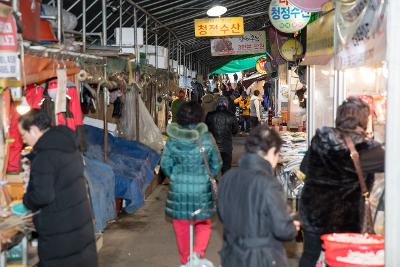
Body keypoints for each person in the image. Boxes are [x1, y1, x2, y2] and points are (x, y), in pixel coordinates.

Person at [299, 97, 385, 267]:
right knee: (339, 260)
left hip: (313, 214)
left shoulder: (321, 138)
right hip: (344, 221)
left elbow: (304, 167)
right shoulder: (368, 149)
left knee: (310, 256)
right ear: (364, 120)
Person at [18, 110, 98, 267]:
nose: (24, 140)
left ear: (34, 129)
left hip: (60, 234)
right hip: (78, 226)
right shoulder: (67, 144)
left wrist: (26, 200)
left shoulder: (44, 156)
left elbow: (42, 196)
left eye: (23, 135)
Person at [217, 125, 300, 267]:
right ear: (272, 151)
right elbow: (282, 229)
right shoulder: (269, 184)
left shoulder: (227, 178)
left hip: (232, 255)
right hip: (262, 258)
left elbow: (222, 214)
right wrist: (293, 226)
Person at [161, 102, 222, 266]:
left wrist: (175, 176)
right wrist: (207, 175)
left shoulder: (173, 140)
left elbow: (165, 164)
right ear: (199, 117)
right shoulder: (207, 138)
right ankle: (197, 255)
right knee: (203, 224)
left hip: (178, 189)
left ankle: (185, 260)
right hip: (202, 190)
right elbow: (216, 164)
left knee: (181, 226)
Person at [206, 97, 239, 174]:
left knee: (212, 171)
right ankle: (225, 185)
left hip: (213, 147)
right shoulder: (231, 115)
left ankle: (215, 184)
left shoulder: (210, 115)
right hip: (226, 147)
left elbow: (206, 130)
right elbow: (235, 131)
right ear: (226, 104)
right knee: (226, 170)